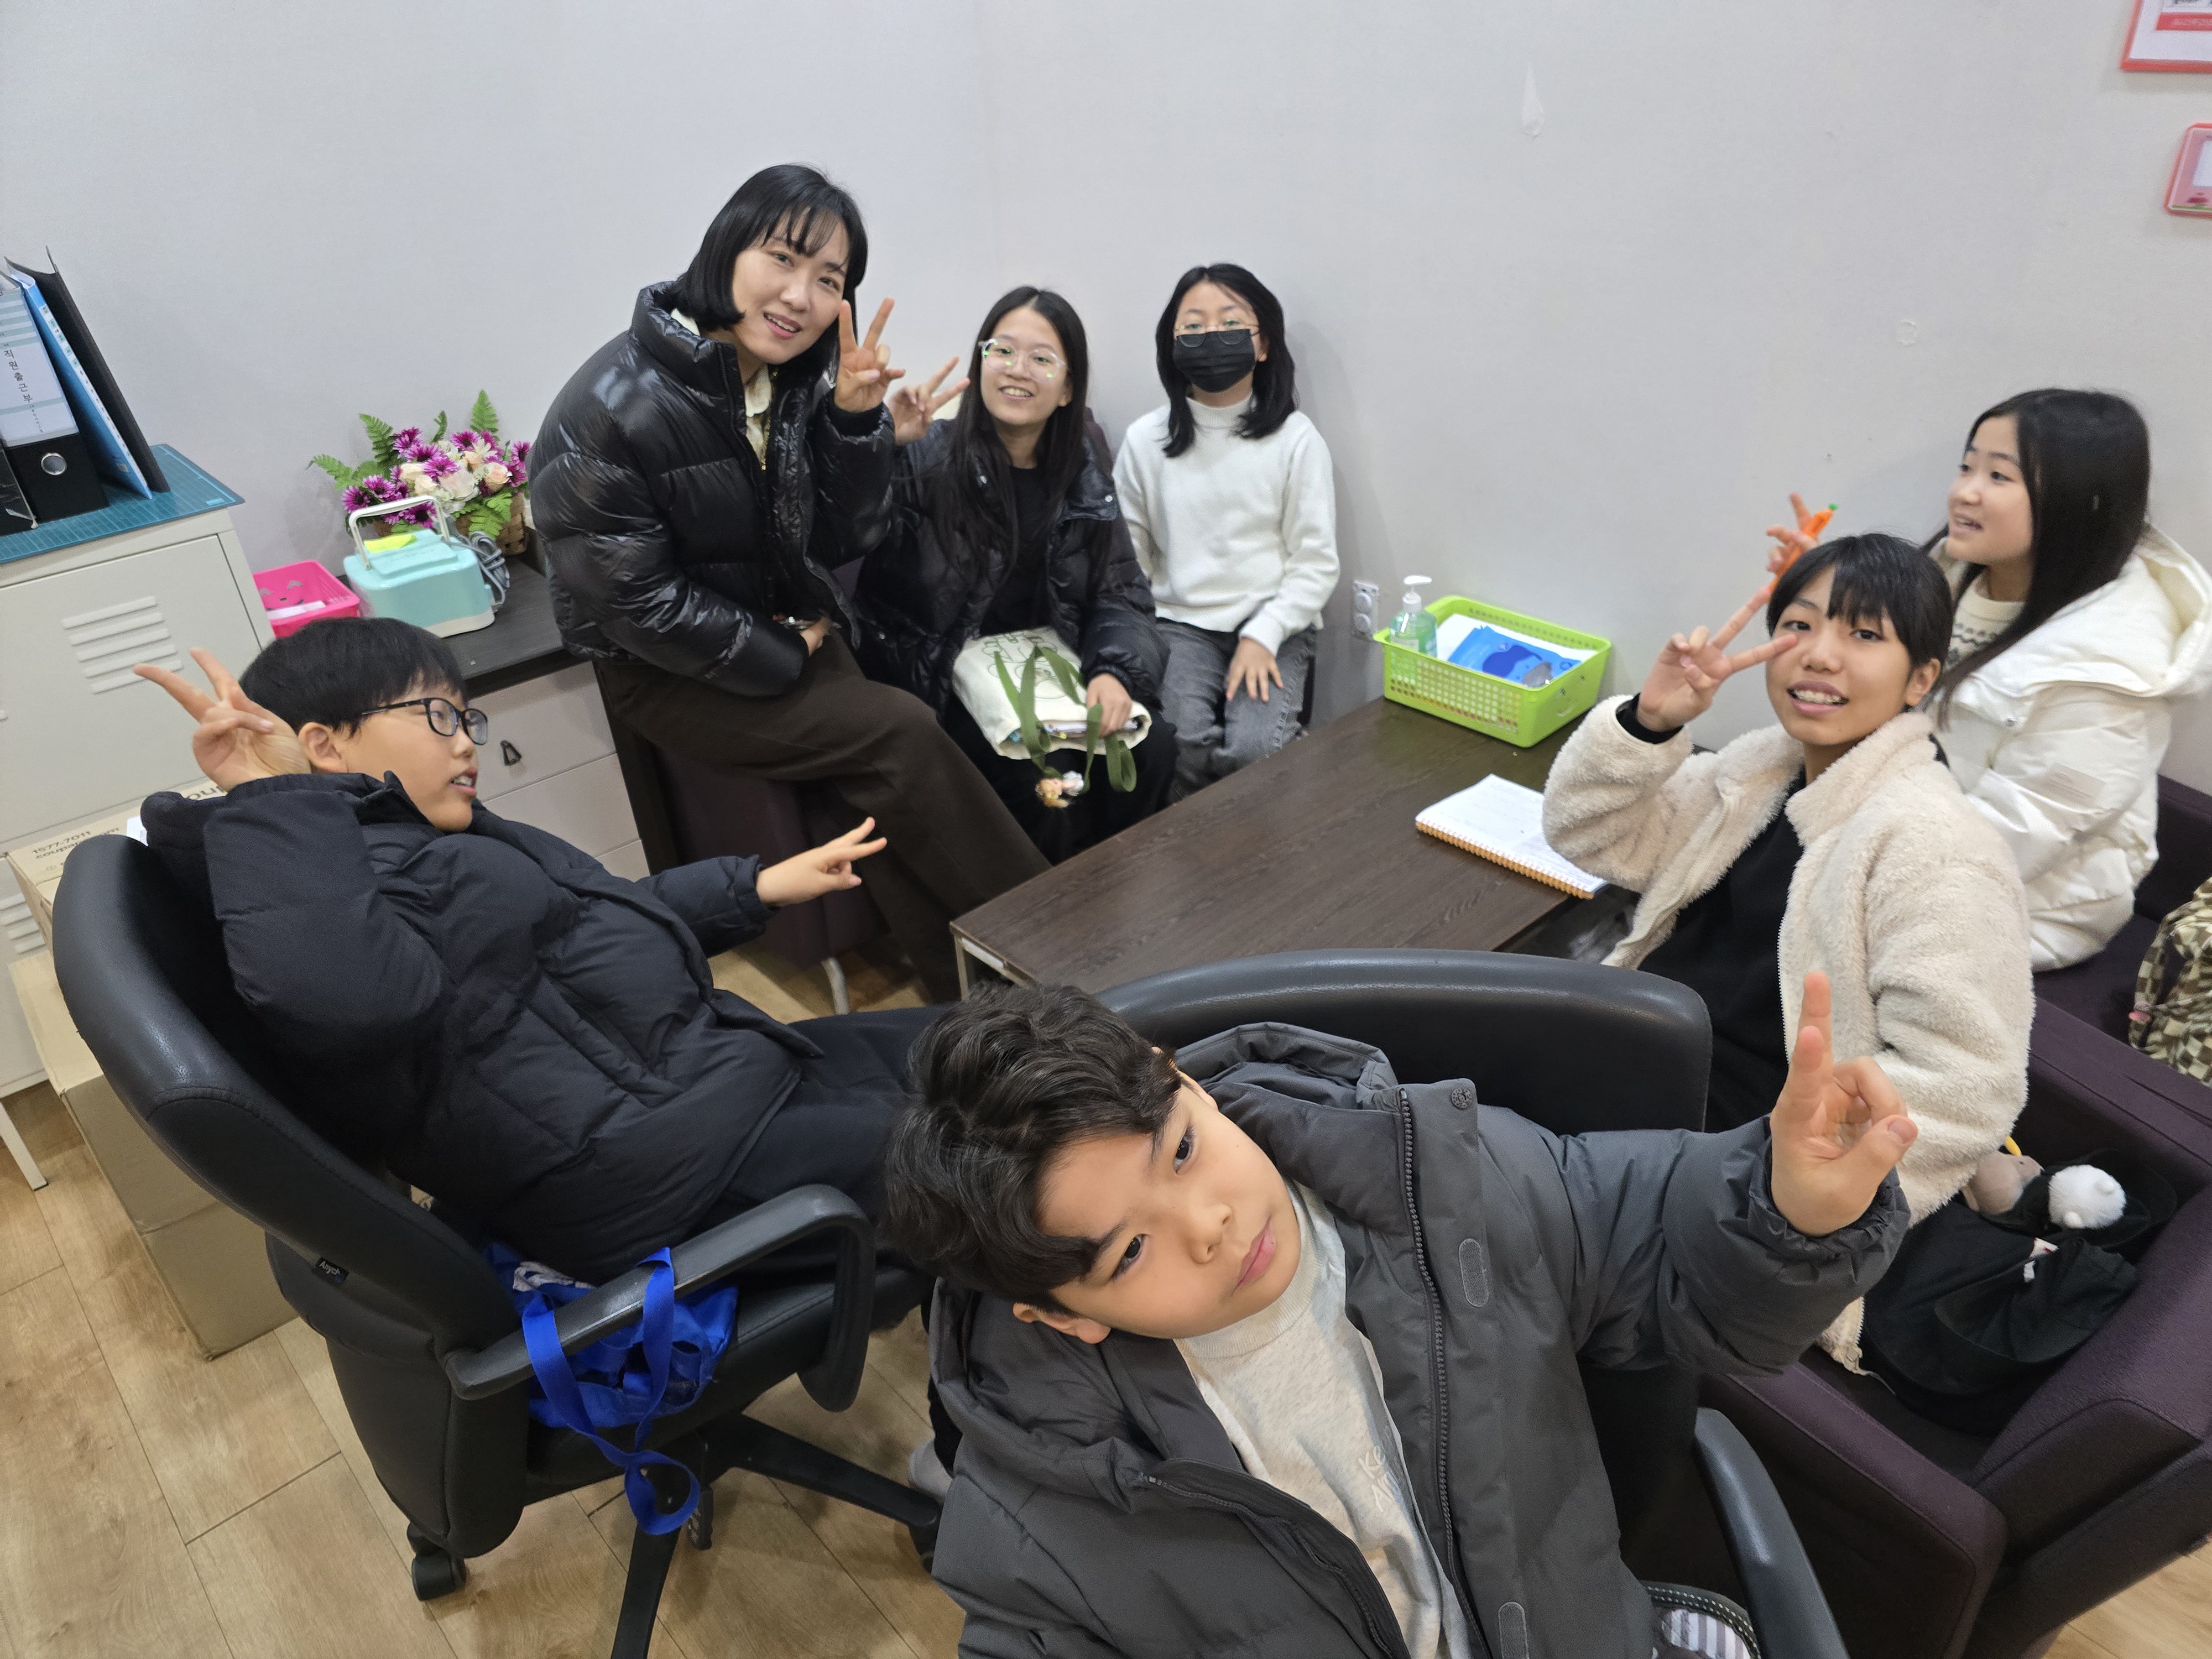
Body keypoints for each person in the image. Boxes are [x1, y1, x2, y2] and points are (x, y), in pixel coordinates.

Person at [883, 979, 1913, 1659]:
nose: (1211, 1225)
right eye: (1130, 1252)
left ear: (1179, 1073)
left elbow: (1657, 1232)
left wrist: (1786, 1212)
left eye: (1183, 1148)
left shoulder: (1447, 1183)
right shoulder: (1038, 1511)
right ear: (1059, 1316)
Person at [129, 620, 935, 1285]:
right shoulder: (336, 892)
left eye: (467, 719)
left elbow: (589, 928)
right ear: (325, 747)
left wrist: (753, 888)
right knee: (987, 1150)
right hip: (668, 1176)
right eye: (437, 717)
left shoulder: (426, 843)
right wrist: (269, 795)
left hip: (707, 1088)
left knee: (985, 1049)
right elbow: (352, 1002)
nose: (467, 744)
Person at [530, 163, 1047, 1000]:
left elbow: (841, 535)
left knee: (872, 799)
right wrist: (781, 650)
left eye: (829, 279)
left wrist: (854, 422)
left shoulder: (790, 378)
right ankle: (1061, 951)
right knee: (900, 732)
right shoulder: (606, 411)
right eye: (783, 258)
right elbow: (635, 606)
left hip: (781, 630)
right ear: (727, 248)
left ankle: (973, 1005)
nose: (802, 296)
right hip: (668, 673)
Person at [1543, 537, 2032, 1285]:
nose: (1819, 655)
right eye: (1799, 626)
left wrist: (1795, 1199)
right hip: (1633, 1064)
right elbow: (1591, 835)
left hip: (1736, 1166)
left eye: (1863, 634)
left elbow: (1967, 1083)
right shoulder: (1761, 769)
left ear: (1920, 679)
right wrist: (1649, 723)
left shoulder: (1936, 845)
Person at [1769, 390, 2212, 969]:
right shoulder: (1951, 574)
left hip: (2012, 905)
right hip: (1880, 826)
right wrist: (1827, 602)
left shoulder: (2113, 671)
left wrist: (1828, 865)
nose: (1964, 492)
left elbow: (2012, 837)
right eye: (1966, 466)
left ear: (2083, 501)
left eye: (1999, 476)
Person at [854, 286, 1172, 862]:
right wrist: (877, 447)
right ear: (981, 363)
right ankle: (1046, 915)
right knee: (1050, 793)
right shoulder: (924, 454)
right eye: (1002, 350)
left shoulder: (1083, 467)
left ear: (1067, 388)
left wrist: (1115, 673)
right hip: (941, 676)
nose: (1018, 369)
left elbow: (1121, 594)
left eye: (1042, 358)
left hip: (1049, 671)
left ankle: (1116, 898)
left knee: (1152, 752)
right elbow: (844, 533)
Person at [1113, 263, 1338, 799]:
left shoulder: (1296, 440)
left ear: (1263, 345)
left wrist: (1265, 632)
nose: (1211, 336)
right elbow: (1129, 559)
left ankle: (1265, 842)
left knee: (1255, 753)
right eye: (1192, 326)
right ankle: (1197, 849)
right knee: (1179, 747)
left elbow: (1315, 563)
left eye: (1231, 323)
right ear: (1172, 345)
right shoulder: (1145, 441)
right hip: (1181, 625)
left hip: (1273, 621)